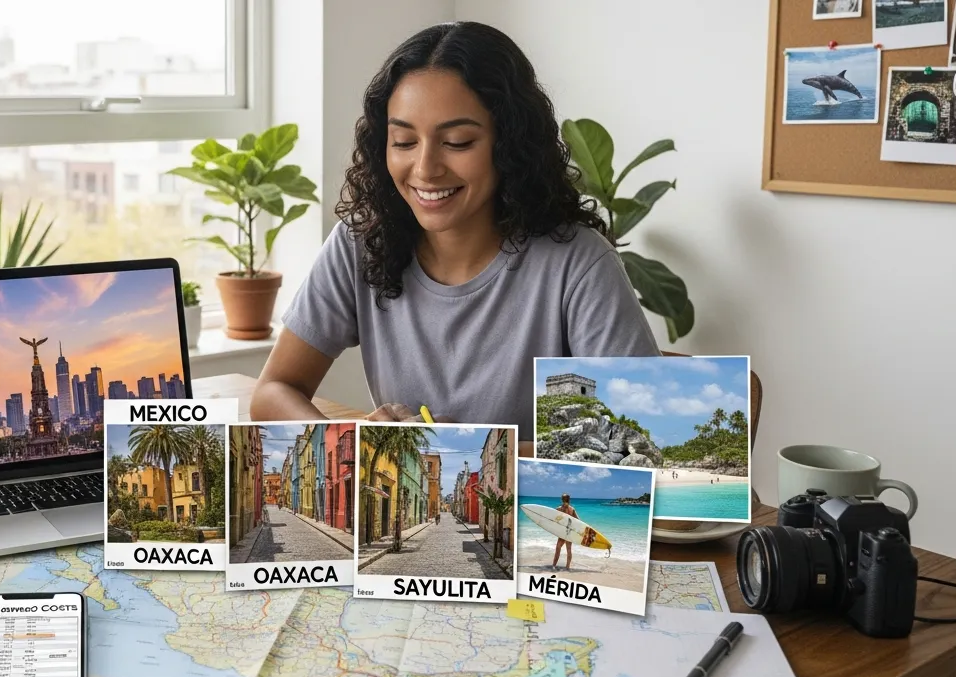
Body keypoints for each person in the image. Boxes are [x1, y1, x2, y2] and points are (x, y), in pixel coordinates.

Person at [249, 21, 660, 442]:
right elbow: (273, 392)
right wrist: (354, 444)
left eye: (458, 142)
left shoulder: (579, 263)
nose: (426, 169)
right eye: (404, 142)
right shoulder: (360, 242)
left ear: (509, 144)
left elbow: (636, 439)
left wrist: (471, 451)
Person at [552, 493, 577, 570]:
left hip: (563, 532)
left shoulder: (559, 508)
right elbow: (578, 521)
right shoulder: (572, 509)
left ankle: (554, 566)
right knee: (569, 550)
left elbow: (551, 516)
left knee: (558, 548)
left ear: (562, 499)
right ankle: (567, 567)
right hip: (569, 532)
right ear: (569, 499)